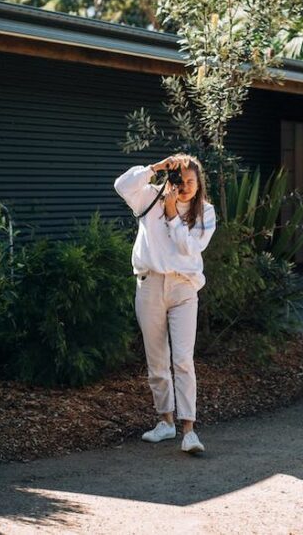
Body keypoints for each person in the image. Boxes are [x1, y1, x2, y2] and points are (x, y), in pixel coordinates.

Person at [114, 154, 217, 454]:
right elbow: (122, 185)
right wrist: (156, 168)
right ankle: (165, 422)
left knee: (183, 359)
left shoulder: (205, 212)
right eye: (178, 179)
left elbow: (190, 248)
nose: (183, 186)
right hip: (150, 284)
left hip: (184, 288)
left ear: (199, 185)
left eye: (190, 182)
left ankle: (189, 430)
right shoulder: (150, 198)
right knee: (156, 360)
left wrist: (173, 217)